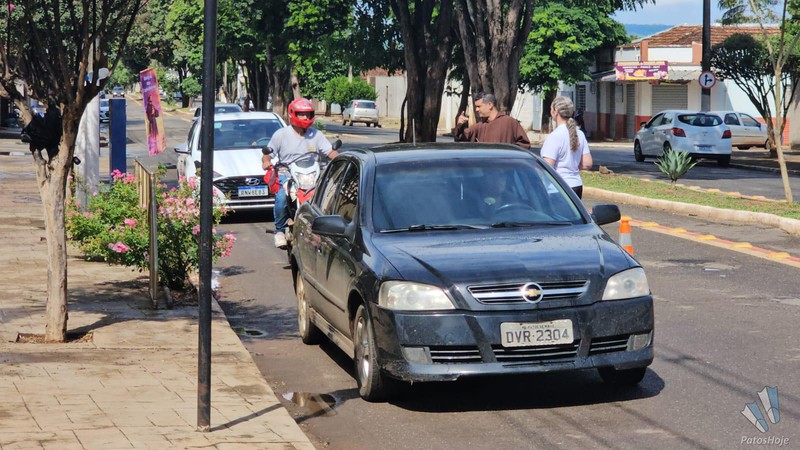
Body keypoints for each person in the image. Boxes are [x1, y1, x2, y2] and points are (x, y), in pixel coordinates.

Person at [261, 98, 339, 248]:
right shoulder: (281, 134)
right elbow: (267, 154)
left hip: (311, 173)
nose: (305, 117)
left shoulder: (316, 135)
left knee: (329, 194)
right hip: (287, 172)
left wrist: (339, 159)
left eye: (308, 114)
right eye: (301, 114)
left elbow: (330, 152)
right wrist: (266, 162)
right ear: (292, 114)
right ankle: (279, 230)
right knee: (281, 197)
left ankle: (328, 230)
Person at [540, 96, 592, 199]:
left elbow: (547, 166)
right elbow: (587, 164)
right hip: (576, 186)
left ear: (556, 111)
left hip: (558, 188)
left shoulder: (554, 136)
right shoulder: (580, 134)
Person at [455, 93, 530, 148]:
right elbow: (461, 139)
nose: (476, 110)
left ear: (490, 105)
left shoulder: (510, 122)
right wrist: (459, 125)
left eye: (479, 106)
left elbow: (524, 145)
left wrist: (509, 152)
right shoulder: (480, 126)